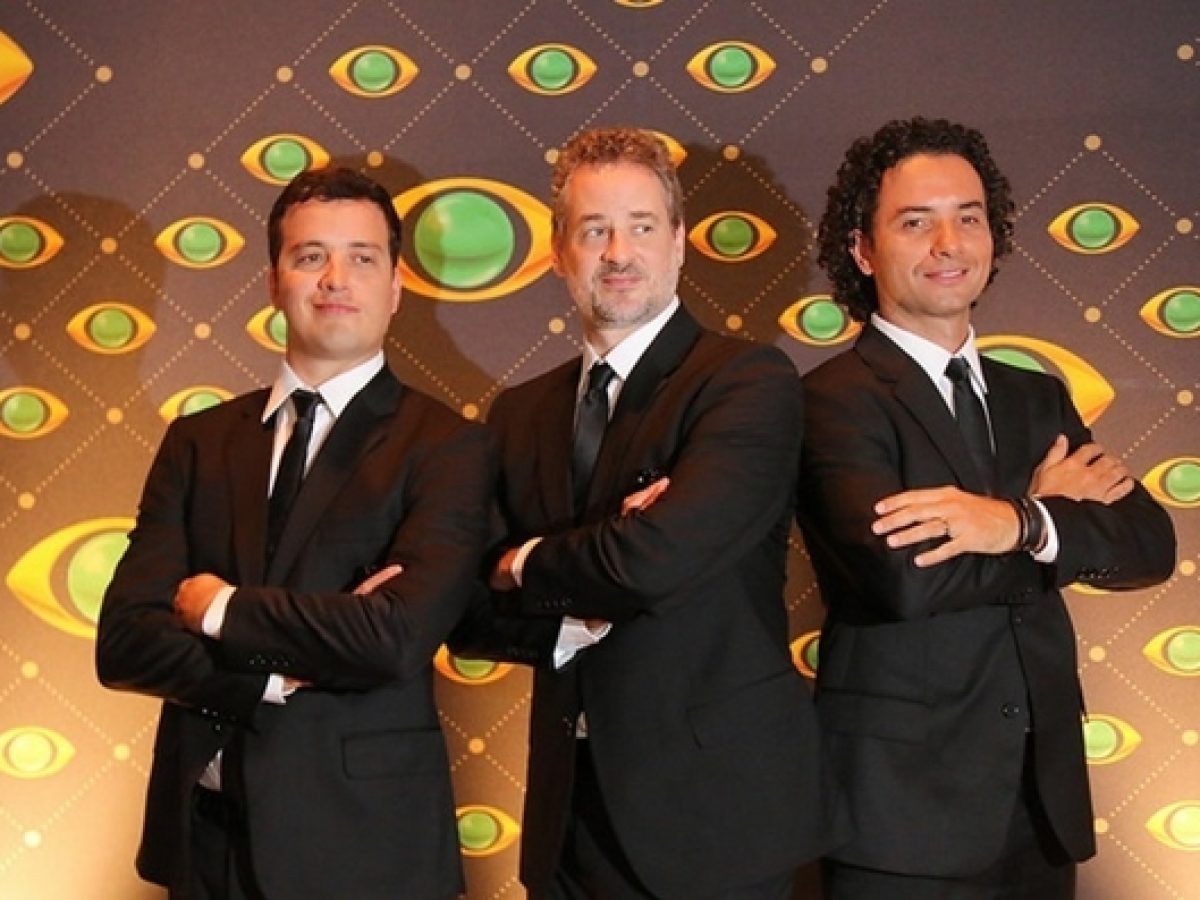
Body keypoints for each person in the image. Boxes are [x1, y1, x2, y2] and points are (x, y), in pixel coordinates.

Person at [452, 126, 846, 900]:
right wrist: (570, 615)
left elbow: (653, 560)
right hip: (568, 817)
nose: (618, 253)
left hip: (714, 819)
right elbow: (465, 610)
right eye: (593, 230)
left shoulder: (747, 381)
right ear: (558, 252)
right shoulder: (519, 413)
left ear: (679, 242)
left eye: (640, 226)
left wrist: (523, 561)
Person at [798, 117, 1177, 899]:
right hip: (899, 815)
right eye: (916, 222)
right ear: (862, 249)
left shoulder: (1037, 397)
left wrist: (1017, 523)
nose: (949, 243)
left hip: (1042, 807)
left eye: (968, 218)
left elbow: (1146, 545)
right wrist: (1048, 522)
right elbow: (905, 579)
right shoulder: (831, 401)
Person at [95, 166, 494, 899]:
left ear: (396, 286)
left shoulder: (447, 446)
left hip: (364, 849)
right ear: (273, 283)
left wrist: (219, 609)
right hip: (205, 842)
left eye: (361, 257)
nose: (335, 278)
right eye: (311, 256)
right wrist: (273, 676)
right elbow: (124, 641)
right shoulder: (199, 441)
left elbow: (393, 637)